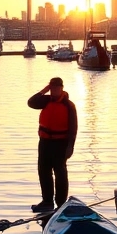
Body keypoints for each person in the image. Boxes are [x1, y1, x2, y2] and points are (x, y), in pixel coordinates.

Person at [28, 77, 78, 213]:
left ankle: (61, 204)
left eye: (57, 87)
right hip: (45, 142)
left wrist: (70, 146)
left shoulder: (69, 105)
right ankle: (47, 201)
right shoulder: (45, 101)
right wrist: (44, 90)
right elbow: (31, 102)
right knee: (43, 171)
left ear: (62, 88)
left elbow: (73, 128)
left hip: (61, 143)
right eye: (52, 87)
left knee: (60, 173)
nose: (54, 90)